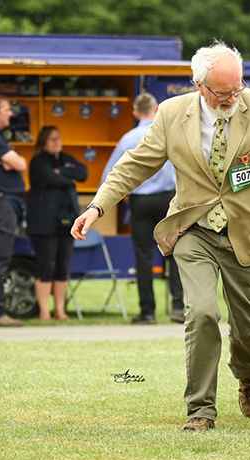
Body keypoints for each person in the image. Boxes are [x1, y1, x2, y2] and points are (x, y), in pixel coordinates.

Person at [71, 40, 250, 431]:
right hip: (193, 228)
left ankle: (247, 373)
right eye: (223, 93)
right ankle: (201, 410)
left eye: (237, 89)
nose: (232, 98)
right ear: (200, 86)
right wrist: (97, 207)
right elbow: (134, 165)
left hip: (245, 230)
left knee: (248, 328)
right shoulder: (171, 114)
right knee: (202, 312)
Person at [101, 93, 184, 325]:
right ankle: (178, 307)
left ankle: (147, 311)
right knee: (175, 252)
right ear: (156, 109)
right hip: (168, 199)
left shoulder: (128, 139)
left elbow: (110, 174)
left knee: (143, 255)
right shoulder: (168, 133)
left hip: (140, 201)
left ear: (135, 113)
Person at [27, 126, 88, 321]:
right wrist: (67, 176)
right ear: (43, 142)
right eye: (52, 139)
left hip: (66, 222)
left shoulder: (65, 159)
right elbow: (51, 178)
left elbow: (82, 173)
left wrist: (61, 171)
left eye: (58, 138)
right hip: (44, 223)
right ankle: (44, 311)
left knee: (62, 267)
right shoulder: (38, 162)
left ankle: (60, 310)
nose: (56, 142)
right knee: (46, 266)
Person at [0, 95, 27, 327]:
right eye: (6, 109)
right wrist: (13, 160)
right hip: (2, 205)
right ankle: (0, 314)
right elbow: (21, 164)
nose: (10, 113)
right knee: (1, 257)